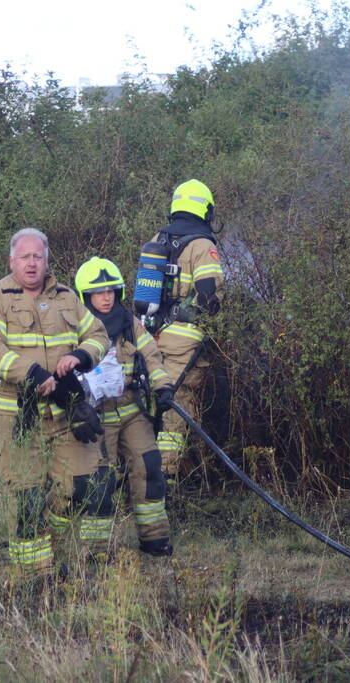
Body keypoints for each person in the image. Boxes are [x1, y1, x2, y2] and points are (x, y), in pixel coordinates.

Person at [0, 228, 114, 579]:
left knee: (84, 486)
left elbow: (98, 335)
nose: (32, 263)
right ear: (12, 261)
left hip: (64, 412)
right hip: (17, 416)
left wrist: (81, 356)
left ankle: (67, 552)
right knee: (28, 498)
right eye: (25, 257)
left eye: (38, 256)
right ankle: (35, 576)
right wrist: (31, 374)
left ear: (47, 260)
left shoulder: (66, 297)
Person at [74, 257, 175, 557]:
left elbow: (152, 356)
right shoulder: (76, 328)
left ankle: (155, 539)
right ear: (86, 296)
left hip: (132, 411)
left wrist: (163, 387)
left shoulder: (129, 323)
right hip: (96, 417)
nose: (106, 298)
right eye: (98, 292)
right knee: (100, 482)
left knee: (149, 468)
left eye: (110, 291)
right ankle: (97, 551)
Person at [145, 179, 225, 485]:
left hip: (151, 336)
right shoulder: (203, 245)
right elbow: (209, 296)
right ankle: (166, 476)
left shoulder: (158, 239)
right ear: (205, 210)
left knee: (152, 398)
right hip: (185, 340)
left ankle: (142, 467)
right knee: (178, 402)